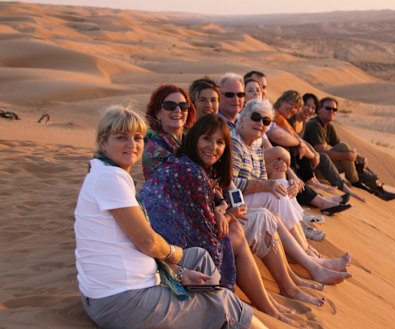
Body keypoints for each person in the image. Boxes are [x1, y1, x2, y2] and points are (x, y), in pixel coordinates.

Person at [74, 105, 264, 329]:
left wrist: (179, 271)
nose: (132, 145)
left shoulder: (105, 171)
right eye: (121, 137)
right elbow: (148, 242)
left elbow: (134, 244)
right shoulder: (110, 179)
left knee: (199, 258)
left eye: (137, 137)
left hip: (117, 289)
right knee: (227, 305)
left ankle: (212, 314)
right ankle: (221, 314)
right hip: (123, 300)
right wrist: (176, 258)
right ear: (103, 141)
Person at [140, 115, 327, 313]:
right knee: (237, 232)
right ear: (194, 138)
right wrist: (229, 215)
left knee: (251, 222)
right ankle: (271, 303)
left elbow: (211, 197)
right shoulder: (190, 170)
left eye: (220, 142)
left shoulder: (190, 164)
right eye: (207, 139)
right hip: (166, 247)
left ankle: (282, 291)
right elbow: (205, 232)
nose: (213, 147)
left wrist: (223, 210)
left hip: (166, 239)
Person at [231, 99, 353, 279]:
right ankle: (309, 257)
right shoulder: (234, 143)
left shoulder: (254, 143)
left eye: (265, 121)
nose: (260, 124)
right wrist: (268, 184)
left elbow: (257, 177)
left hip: (247, 199)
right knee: (276, 194)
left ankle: (309, 258)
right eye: (255, 117)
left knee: (283, 188)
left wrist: (280, 176)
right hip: (234, 205)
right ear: (242, 118)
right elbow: (231, 183)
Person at [303, 97, 395, 201]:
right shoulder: (314, 125)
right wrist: (348, 155)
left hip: (324, 168)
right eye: (328, 108)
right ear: (319, 110)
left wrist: (359, 157)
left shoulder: (328, 127)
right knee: (344, 148)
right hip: (316, 169)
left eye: (334, 109)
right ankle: (357, 180)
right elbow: (323, 154)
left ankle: (378, 188)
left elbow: (338, 145)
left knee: (348, 151)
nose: (332, 111)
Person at [271, 90, 352, 215]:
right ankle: (322, 201)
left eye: (296, 107)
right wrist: (312, 154)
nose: (293, 109)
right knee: (296, 169)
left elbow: (298, 140)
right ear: (281, 101)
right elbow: (290, 139)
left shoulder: (285, 119)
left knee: (302, 155)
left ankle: (321, 197)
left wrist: (311, 152)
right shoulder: (277, 117)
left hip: (287, 161)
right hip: (279, 162)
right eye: (290, 104)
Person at [142, 84, 196, 180]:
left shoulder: (194, 141)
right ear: (157, 113)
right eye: (169, 106)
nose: (178, 110)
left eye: (183, 106)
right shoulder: (154, 150)